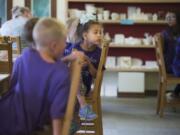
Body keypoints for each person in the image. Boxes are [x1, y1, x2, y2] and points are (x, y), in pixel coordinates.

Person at [0, 18, 70, 135]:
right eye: (64, 42)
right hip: (25, 128)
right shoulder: (61, 72)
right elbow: (57, 113)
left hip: (4, 115)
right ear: (54, 46)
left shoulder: (22, 58)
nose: (66, 46)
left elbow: (12, 88)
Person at [63, 14, 102, 121]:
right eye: (95, 32)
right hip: (70, 86)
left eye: (100, 33)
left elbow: (96, 75)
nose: (99, 35)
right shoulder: (75, 47)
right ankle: (75, 117)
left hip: (84, 87)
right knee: (74, 68)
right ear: (85, 36)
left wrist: (89, 63)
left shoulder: (98, 52)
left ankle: (81, 108)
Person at [162, 11, 180, 99]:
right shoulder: (167, 33)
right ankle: (175, 93)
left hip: (172, 65)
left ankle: (175, 93)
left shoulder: (166, 32)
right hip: (172, 66)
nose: (169, 18)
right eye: (167, 16)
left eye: (172, 17)